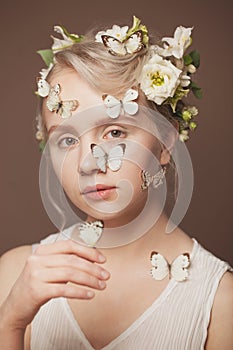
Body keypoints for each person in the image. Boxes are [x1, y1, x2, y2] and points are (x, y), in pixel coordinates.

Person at [0, 16, 232, 350]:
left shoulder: (220, 302)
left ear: (164, 144)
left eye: (115, 132)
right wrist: (10, 321)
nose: (87, 163)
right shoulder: (15, 274)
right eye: (66, 140)